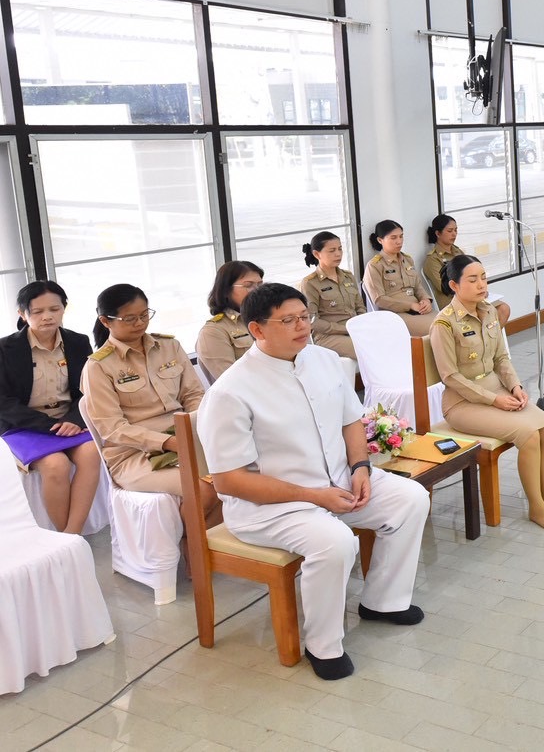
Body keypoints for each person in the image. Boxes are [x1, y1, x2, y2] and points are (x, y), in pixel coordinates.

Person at [199, 283, 429, 680]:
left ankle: (384, 602)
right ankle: (323, 645)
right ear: (256, 329)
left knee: (410, 498)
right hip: (271, 506)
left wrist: (360, 468)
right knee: (335, 541)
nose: (302, 326)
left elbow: (350, 419)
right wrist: (315, 497)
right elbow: (231, 481)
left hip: (338, 483)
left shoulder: (325, 359)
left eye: (304, 316)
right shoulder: (230, 392)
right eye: (288, 321)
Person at [432, 256, 544, 531]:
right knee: (528, 434)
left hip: (498, 391)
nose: (481, 285)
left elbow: (501, 358)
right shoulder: (444, 324)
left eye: (484, 278)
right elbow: (450, 377)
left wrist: (516, 387)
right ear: (454, 285)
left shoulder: (489, 312)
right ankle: (536, 506)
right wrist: (494, 399)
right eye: (472, 280)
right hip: (462, 404)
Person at [81, 284, 221, 526]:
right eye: (130, 318)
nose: (140, 323)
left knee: (235, 477)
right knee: (205, 489)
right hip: (135, 455)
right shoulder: (98, 367)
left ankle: (211, 549)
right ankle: (192, 552)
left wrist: (197, 425)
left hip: (185, 437)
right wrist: (166, 442)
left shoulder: (169, 346)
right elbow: (112, 428)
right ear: (105, 321)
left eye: (145, 315)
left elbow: (193, 394)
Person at [0, 281, 100, 534]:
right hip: (25, 425)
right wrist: (49, 425)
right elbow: (3, 402)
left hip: (68, 419)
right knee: (57, 465)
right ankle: (66, 536)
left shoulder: (78, 342)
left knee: (91, 453)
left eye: (54, 309)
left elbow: (87, 390)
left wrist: (75, 419)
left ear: (63, 309)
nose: (47, 316)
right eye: (37, 311)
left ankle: (72, 535)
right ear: (23, 314)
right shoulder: (4, 349)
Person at [300, 231, 367, 360]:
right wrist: (345, 329)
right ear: (316, 254)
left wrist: (362, 325)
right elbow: (312, 321)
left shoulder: (348, 276)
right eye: (331, 250)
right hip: (327, 336)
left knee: (387, 341)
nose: (338, 254)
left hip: (355, 330)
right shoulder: (310, 283)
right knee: (366, 349)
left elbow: (360, 307)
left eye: (340, 249)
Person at [364, 220, 435, 335]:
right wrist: (410, 306)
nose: (399, 241)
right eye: (393, 238)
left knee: (449, 323)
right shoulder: (374, 265)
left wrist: (426, 300)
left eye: (401, 237)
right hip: (395, 315)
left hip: (419, 309)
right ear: (380, 240)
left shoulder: (407, 260)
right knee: (438, 328)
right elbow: (379, 299)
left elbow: (418, 287)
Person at [196, 261, 264, 380]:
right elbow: (232, 381)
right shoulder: (214, 331)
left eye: (260, 284)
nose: (257, 290)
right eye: (248, 285)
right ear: (226, 290)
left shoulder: (267, 319)